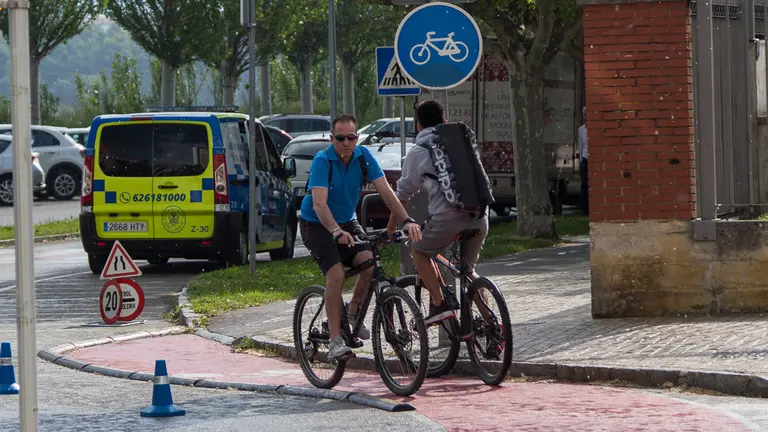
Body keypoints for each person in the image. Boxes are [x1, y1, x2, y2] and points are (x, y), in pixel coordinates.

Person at [299, 113, 422, 360]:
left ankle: (352, 314)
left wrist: (406, 219)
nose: (346, 143)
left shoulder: (363, 156)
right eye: (341, 138)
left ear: (357, 138)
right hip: (317, 224)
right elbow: (320, 205)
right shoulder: (323, 161)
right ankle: (334, 341)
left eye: (351, 137)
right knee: (336, 275)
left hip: (348, 220)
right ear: (332, 139)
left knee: (368, 264)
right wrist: (336, 231)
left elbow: (386, 191)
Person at [387, 99, 489, 326]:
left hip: (447, 220)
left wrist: (392, 227)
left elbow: (402, 194)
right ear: (445, 121)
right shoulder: (461, 142)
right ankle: (492, 322)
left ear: (419, 125)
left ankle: (440, 304)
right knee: (469, 271)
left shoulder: (419, 151)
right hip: (480, 216)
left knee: (420, 250)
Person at [578, 106, 589, 215]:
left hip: (594, 158)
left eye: (587, 113)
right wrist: (581, 161)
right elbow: (580, 147)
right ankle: (584, 208)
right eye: (584, 114)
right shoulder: (581, 130)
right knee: (584, 184)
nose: (586, 116)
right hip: (585, 158)